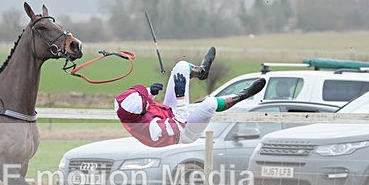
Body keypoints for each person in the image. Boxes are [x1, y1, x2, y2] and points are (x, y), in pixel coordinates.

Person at [114, 47, 266, 147]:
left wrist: (150, 92)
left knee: (181, 66)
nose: (145, 98)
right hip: (183, 132)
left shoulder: (121, 104)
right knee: (210, 103)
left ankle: (202, 71)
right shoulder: (152, 128)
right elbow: (181, 122)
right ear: (141, 111)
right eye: (144, 100)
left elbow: (139, 100)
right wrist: (180, 97)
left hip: (169, 113)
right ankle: (242, 95)